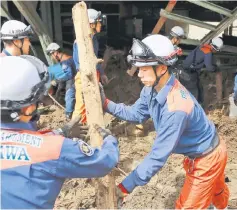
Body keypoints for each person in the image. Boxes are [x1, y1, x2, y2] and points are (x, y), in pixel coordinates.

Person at [100, 34, 229, 209]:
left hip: (207, 158)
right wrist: (106, 104)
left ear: (161, 68)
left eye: (144, 69)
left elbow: (157, 157)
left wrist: (124, 187)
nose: (139, 75)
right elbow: (136, 113)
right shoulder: (151, 89)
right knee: (216, 191)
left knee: (189, 206)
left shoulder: (176, 108)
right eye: (139, 69)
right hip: (207, 150)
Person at [0, 55, 119, 209]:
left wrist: (61, 131)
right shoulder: (56, 149)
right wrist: (110, 140)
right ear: (28, 108)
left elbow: (20, 142)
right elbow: (103, 162)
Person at [72, 8, 109, 123]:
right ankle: (76, 131)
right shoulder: (81, 41)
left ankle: (91, 127)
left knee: (94, 104)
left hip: (93, 74)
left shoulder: (92, 39)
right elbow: (81, 63)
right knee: (82, 106)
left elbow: (94, 58)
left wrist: (101, 74)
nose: (101, 24)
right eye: (99, 22)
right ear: (91, 24)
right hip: (84, 76)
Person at [182, 37, 224, 104]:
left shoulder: (201, 47)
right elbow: (209, 67)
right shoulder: (208, 53)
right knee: (194, 92)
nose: (216, 52)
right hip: (190, 73)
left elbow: (199, 59)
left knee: (199, 88)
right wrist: (215, 69)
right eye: (217, 50)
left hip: (184, 70)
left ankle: (199, 104)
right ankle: (194, 108)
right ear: (215, 48)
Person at [46, 43, 76, 119]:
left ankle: (68, 115)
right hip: (74, 78)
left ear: (55, 52)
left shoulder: (65, 61)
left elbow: (69, 75)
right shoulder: (66, 59)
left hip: (73, 80)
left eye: (52, 55)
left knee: (69, 96)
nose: (52, 57)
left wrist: (56, 81)